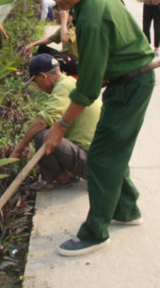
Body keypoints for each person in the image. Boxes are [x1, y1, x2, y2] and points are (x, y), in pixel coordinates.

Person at [43, 0, 160, 256]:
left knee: (101, 159)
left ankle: (96, 232)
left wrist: (60, 126)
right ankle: (127, 210)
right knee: (111, 151)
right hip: (126, 80)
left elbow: (87, 90)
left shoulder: (93, 20)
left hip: (131, 85)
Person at [10, 54, 102, 190]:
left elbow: (42, 122)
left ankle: (56, 178)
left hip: (93, 164)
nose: (38, 87)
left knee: (43, 135)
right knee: (53, 130)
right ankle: (67, 173)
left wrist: (18, 150)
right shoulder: (69, 82)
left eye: (36, 82)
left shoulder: (63, 87)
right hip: (98, 160)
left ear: (44, 76)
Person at [21, 8, 79, 75]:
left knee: (56, 59)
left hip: (75, 62)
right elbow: (50, 39)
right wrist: (33, 44)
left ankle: (57, 78)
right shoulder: (65, 27)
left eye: (57, 18)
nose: (55, 20)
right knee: (42, 48)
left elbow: (65, 38)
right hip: (67, 57)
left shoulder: (75, 27)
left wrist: (64, 19)